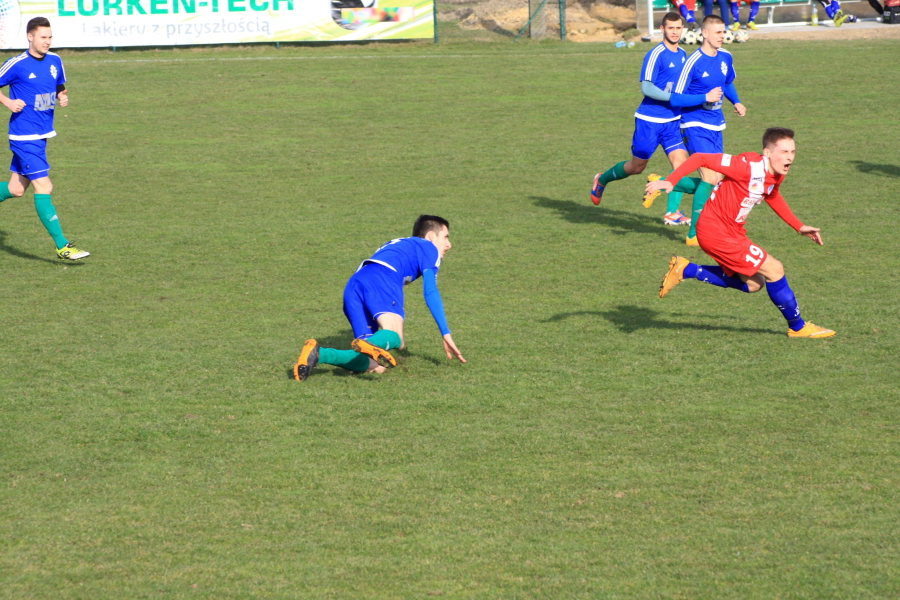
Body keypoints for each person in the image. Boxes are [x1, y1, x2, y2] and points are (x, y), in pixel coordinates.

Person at [645, 127, 835, 338]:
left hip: (731, 231)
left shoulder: (776, 174)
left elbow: (772, 195)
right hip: (715, 231)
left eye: (792, 152)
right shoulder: (745, 166)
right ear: (767, 153)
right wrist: (670, 181)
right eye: (784, 152)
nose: (789, 157)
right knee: (775, 269)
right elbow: (700, 158)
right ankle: (798, 327)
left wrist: (798, 226)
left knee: (754, 284)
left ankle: (687, 269)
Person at [293, 215, 466, 381]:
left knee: (374, 366)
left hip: (354, 286)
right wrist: (445, 332)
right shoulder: (428, 247)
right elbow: (430, 291)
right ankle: (372, 344)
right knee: (396, 338)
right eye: (445, 237)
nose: (449, 244)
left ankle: (319, 354)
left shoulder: (398, 245)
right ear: (431, 236)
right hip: (382, 278)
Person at [590, 13, 722, 227]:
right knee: (637, 167)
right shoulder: (655, 54)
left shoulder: (683, 55)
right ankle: (602, 179)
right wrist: (672, 98)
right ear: (662, 29)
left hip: (673, 122)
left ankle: (672, 212)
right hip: (649, 121)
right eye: (671, 28)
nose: (675, 32)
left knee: (680, 167)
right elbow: (647, 88)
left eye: (678, 28)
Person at [0, 17, 88, 261]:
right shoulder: (16, 64)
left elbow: (59, 85)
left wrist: (61, 96)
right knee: (44, 186)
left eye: (50, 37)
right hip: (24, 136)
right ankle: (62, 246)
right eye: (43, 37)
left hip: (42, 135)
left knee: (16, 189)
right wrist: (7, 102)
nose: (47, 41)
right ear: (30, 37)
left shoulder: (55, 60)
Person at [667, 13, 746, 246]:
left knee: (717, 180)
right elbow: (675, 98)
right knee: (710, 177)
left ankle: (663, 181)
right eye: (718, 32)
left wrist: (736, 102)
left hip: (716, 124)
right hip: (693, 124)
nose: (723, 36)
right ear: (704, 33)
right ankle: (694, 235)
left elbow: (727, 82)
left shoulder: (725, 56)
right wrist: (704, 97)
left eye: (724, 32)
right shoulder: (692, 62)